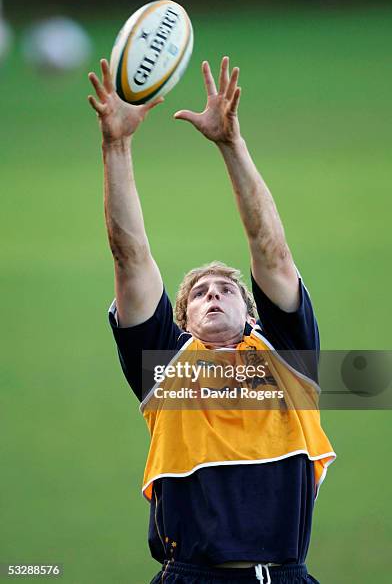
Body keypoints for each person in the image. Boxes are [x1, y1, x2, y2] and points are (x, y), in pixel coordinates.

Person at [88, 57, 335, 584]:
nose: (214, 294)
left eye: (227, 290)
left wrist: (231, 145)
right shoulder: (165, 364)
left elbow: (271, 253)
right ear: (184, 319)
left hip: (285, 575)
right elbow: (129, 258)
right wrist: (117, 146)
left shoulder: (288, 355)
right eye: (200, 293)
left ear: (252, 313)